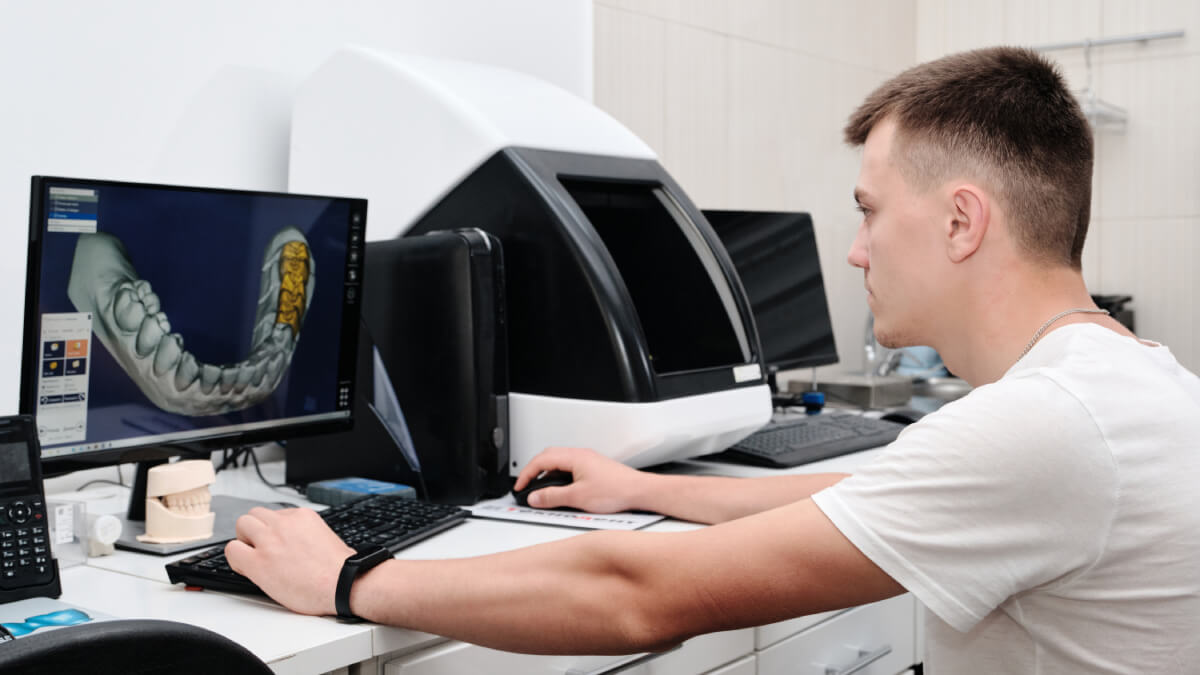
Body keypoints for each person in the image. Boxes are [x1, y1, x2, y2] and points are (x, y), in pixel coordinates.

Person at [225, 46, 1200, 672]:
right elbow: (861, 496)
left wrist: (350, 580)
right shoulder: (1117, 380)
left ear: (960, 221)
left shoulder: (1043, 429)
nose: (855, 251)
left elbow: (641, 595)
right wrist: (645, 488)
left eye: (868, 212)